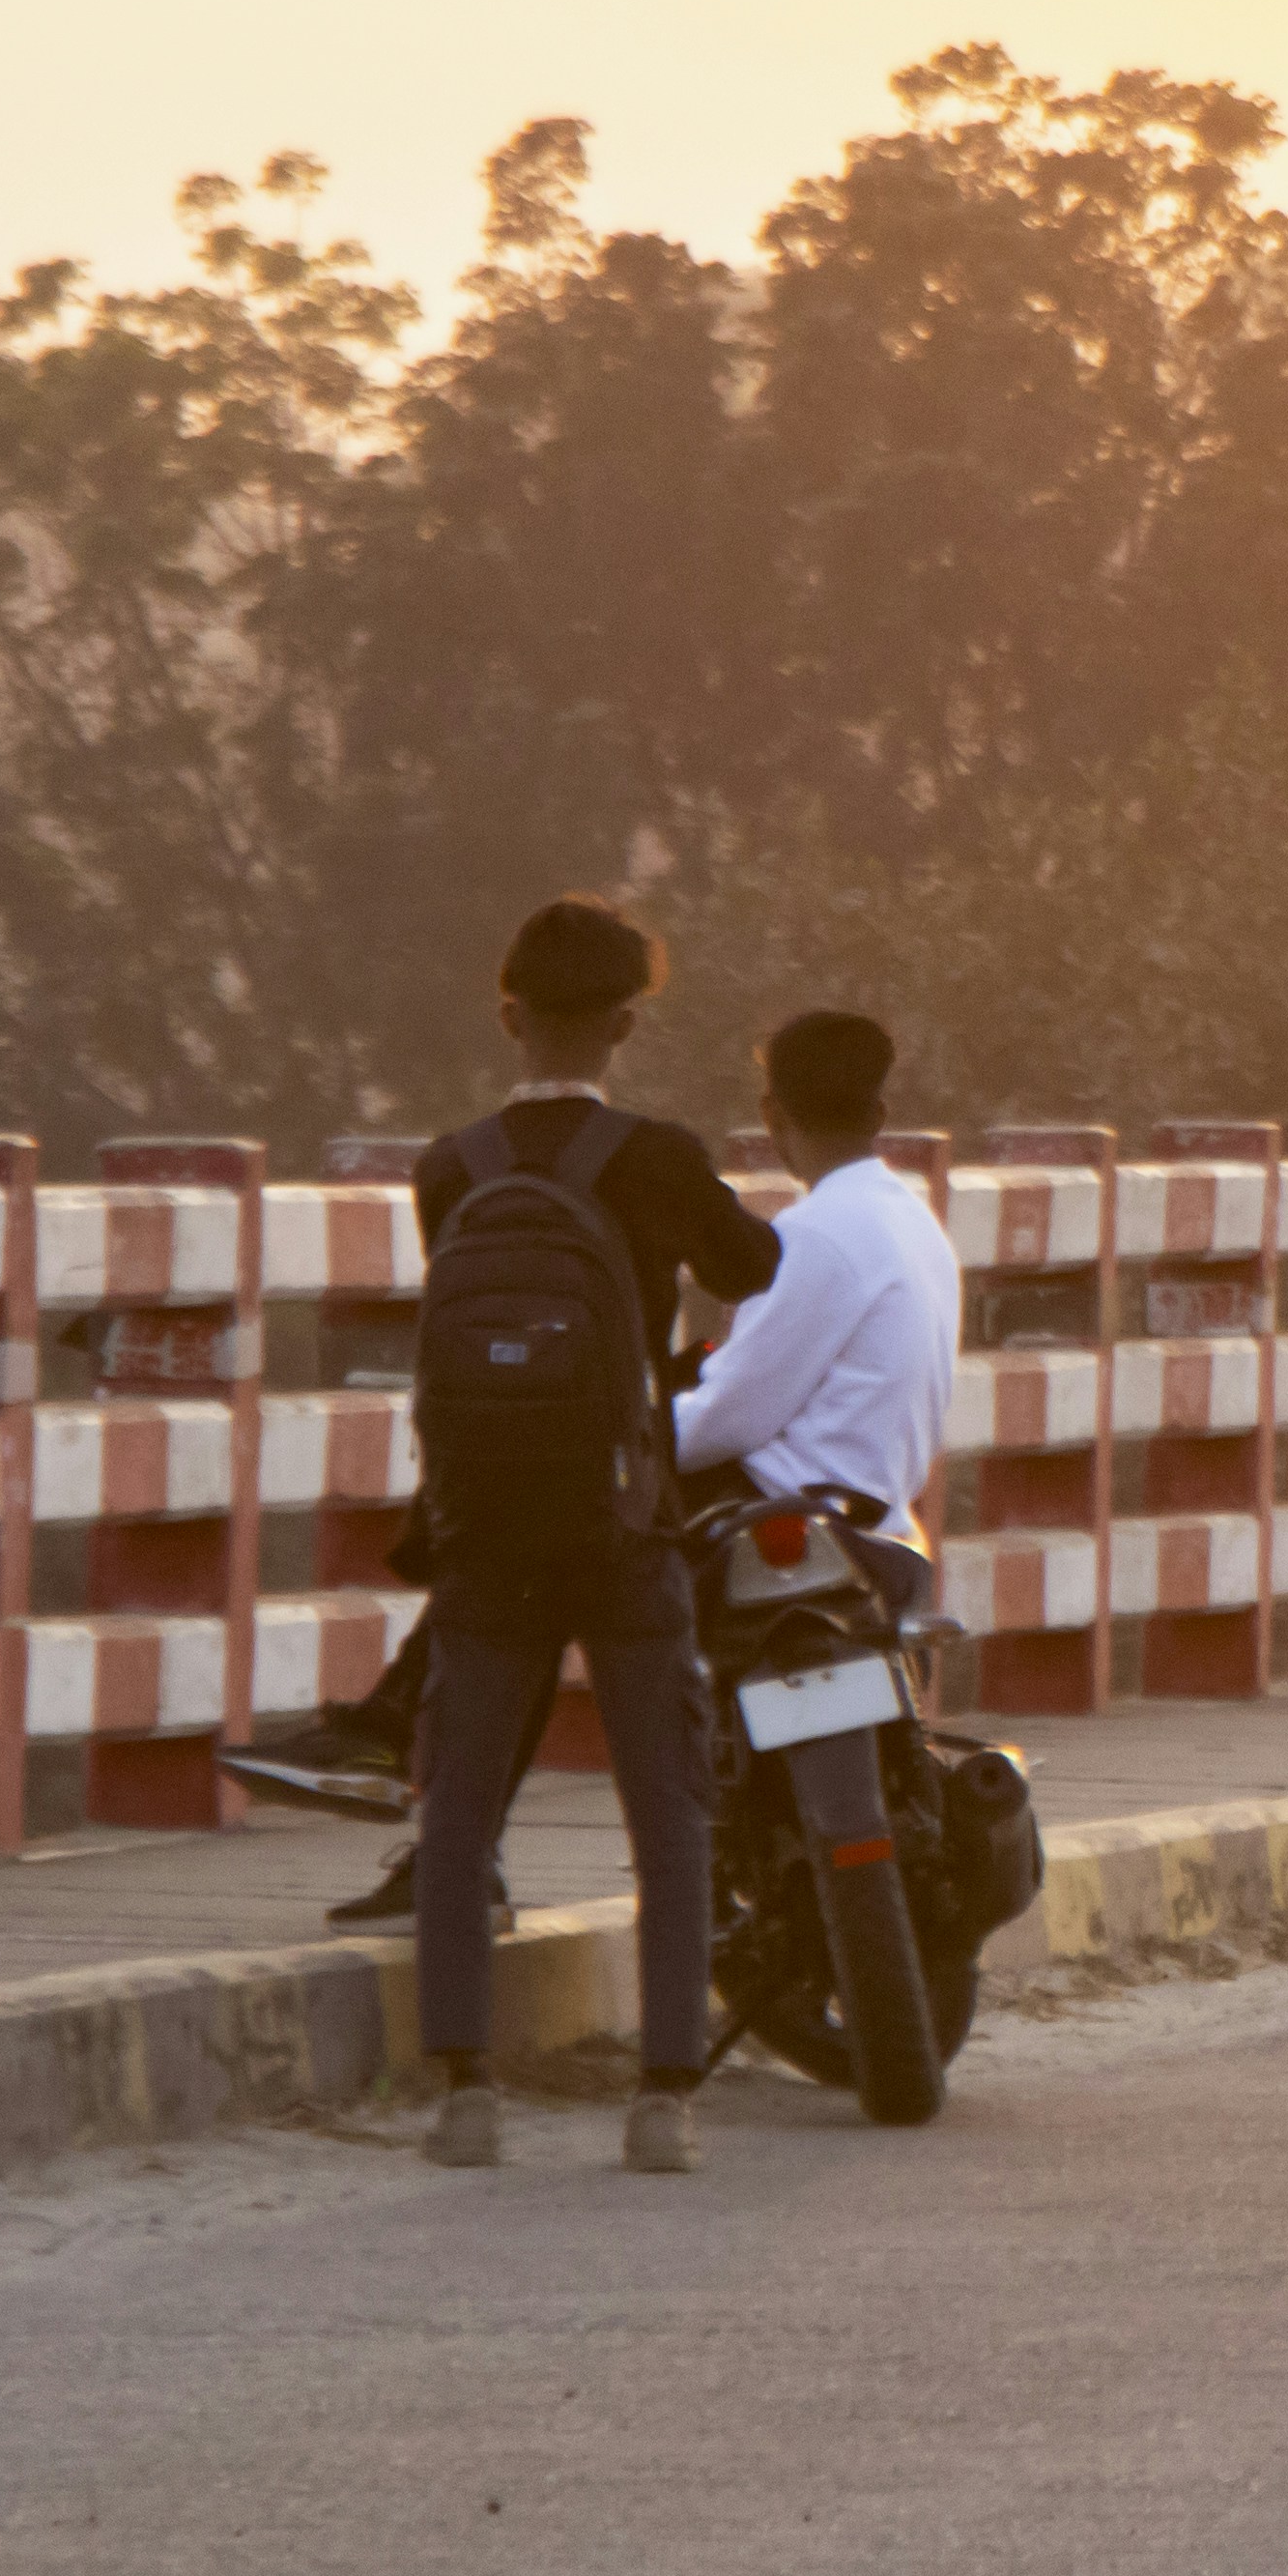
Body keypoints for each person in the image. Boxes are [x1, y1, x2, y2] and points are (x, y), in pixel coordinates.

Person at [394, 896, 786, 2175]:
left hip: (485, 1524)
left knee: (459, 1803)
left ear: (508, 1015)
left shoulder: (447, 1167)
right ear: (627, 1024)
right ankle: (662, 2098)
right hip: (625, 1524)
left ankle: (464, 2090)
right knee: (664, 1803)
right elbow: (753, 1266)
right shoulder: (657, 1158)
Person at [673, 1010, 959, 1534]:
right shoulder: (915, 1220)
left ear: (771, 1114)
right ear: (879, 1114)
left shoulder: (814, 1234)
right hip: (882, 1515)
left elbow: (729, 1418)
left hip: (795, 1517)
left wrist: (624, 1444)